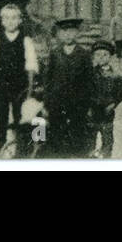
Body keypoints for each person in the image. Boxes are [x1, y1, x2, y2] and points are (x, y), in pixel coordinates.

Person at [0, 3, 39, 156]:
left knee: (20, 120)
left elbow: (30, 68)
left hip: (20, 88)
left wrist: (29, 92)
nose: (10, 21)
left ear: (20, 21)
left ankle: (19, 153)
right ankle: (0, 152)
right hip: (1, 87)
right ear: (2, 21)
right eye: (7, 18)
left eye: (14, 18)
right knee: (1, 122)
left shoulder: (26, 41)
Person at [43, 18, 94, 158]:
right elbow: (48, 79)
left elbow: (89, 81)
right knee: (57, 137)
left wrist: (88, 104)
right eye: (64, 31)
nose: (68, 35)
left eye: (71, 31)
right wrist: (46, 103)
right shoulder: (55, 53)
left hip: (78, 104)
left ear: (77, 33)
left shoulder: (84, 54)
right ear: (59, 34)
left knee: (77, 137)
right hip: (57, 103)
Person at [89, 40, 122, 158]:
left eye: (105, 54)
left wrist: (113, 104)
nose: (101, 57)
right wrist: (88, 106)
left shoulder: (114, 75)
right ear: (94, 56)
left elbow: (121, 93)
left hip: (107, 114)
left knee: (108, 140)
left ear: (110, 57)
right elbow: (85, 91)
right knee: (90, 140)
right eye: (98, 55)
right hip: (92, 113)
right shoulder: (90, 74)